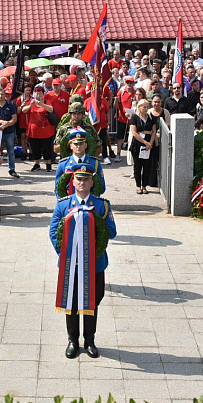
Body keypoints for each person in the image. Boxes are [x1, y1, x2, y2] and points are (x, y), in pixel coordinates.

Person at [49, 163, 116, 359]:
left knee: (92, 301)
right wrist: (64, 253)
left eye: (86, 179)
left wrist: (94, 219)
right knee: (70, 301)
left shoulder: (102, 206)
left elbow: (112, 232)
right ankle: (72, 340)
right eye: (78, 179)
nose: (82, 183)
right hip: (71, 265)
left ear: (92, 182)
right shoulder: (63, 205)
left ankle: (90, 340)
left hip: (94, 264)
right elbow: (54, 233)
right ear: (73, 181)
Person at [24, 85, 55, 172]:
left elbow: (51, 109)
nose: (38, 95)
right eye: (37, 93)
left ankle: (48, 164)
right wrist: (30, 105)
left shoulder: (46, 101)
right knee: (35, 147)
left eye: (40, 93)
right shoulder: (31, 101)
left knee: (46, 147)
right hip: (34, 130)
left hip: (45, 130)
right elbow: (24, 110)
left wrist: (42, 104)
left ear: (43, 94)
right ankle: (36, 163)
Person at [128, 99, 156, 193]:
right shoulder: (135, 117)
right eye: (144, 106)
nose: (146, 108)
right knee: (138, 166)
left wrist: (150, 143)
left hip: (148, 142)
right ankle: (138, 186)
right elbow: (134, 133)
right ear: (139, 107)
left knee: (147, 166)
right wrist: (145, 142)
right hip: (138, 143)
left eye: (147, 106)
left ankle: (144, 186)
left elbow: (154, 131)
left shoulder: (150, 117)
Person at [0, 88, 19, 178]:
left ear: (5, 95)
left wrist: (6, 124)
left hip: (9, 131)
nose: (0, 96)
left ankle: (12, 169)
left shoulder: (11, 105)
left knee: (11, 151)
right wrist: (2, 122)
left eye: (2, 94)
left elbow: (14, 119)